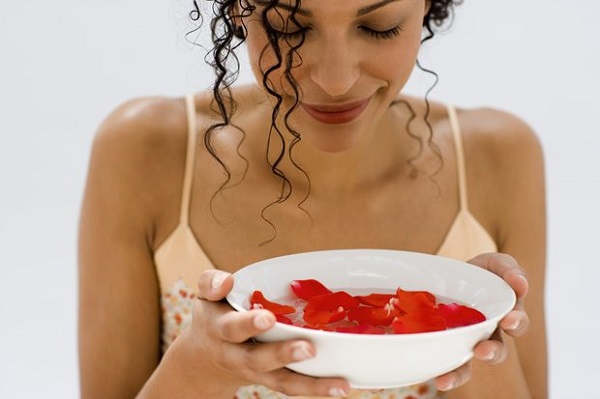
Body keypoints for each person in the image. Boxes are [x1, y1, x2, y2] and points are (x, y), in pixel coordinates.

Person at [78, 0, 547, 398]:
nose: (336, 79)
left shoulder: (498, 158)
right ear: (240, 9)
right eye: (290, 27)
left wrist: (483, 333)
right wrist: (198, 366)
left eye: (378, 27)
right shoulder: (145, 151)